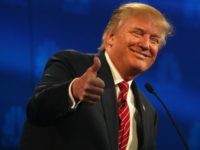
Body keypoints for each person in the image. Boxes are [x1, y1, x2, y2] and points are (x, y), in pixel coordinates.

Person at [20, 2, 172, 150]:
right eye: (137, 33)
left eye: (154, 40)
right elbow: (36, 110)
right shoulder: (73, 64)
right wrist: (72, 91)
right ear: (110, 37)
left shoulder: (149, 112)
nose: (146, 45)